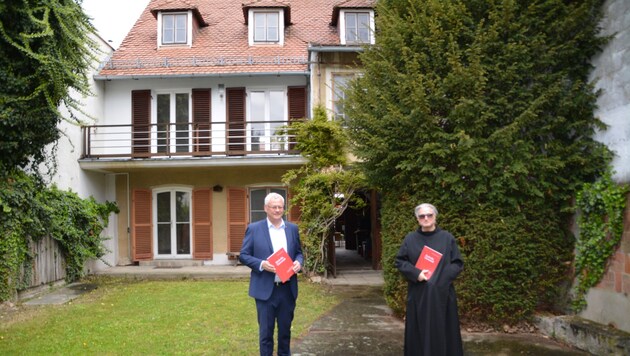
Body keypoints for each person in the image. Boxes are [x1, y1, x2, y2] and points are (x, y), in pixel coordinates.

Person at [395, 203, 464, 356]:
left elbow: (457, 263)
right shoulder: (410, 239)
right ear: (417, 219)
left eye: (429, 215)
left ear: (435, 217)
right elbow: (400, 261)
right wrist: (416, 273)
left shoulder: (447, 238)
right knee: (419, 331)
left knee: (444, 329)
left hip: (442, 294)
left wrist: (441, 278)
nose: (426, 218)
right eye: (422, 216)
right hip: (419, 294)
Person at [239, 192, 303, 356]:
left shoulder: (292, 229)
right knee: (266, 335)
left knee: (285, 333)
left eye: (280, 207)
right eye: (273, 207)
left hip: (287, 289)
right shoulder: (254, 229)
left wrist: (298, 262)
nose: (277, 210)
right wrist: (262, 264)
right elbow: (244, 255)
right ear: (265, 208)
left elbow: (298, 253)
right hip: (265, 290)